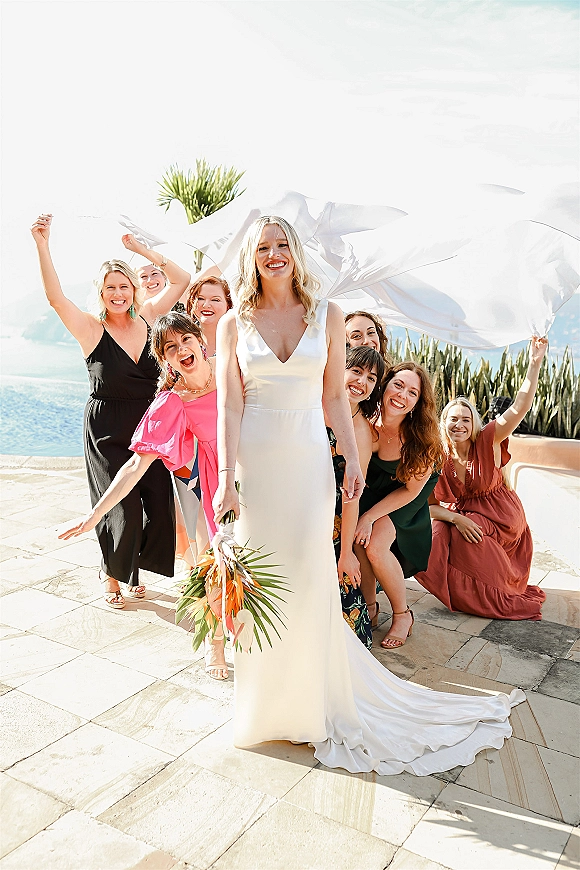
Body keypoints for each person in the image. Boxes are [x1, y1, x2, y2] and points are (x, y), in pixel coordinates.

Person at [212, 214, 524, 777]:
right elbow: (229, 405)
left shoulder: (327, 315)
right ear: (251, 257)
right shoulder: (234, 323)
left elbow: (335, 398)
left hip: (308, 464)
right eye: (263, 247)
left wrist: (353, 463)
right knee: (263, 583)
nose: (274, 254)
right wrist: (223, 479)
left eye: (283, 245)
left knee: (308, 577)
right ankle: (263, 709)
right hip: (257, 468)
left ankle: (310, 706)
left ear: (296, 252)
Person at [31, 214, 190, 608]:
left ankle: (132, 567)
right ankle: (113, 575)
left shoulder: (150, 317)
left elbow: (182, 280)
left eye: (124, 286)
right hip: (107, 429)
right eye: (110, 288)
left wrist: (141, 250)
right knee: (122, 507)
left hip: (150, 425)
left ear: (134, 289)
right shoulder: (90, 329)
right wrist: (42, 245)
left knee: (157, 505)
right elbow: (55, 298)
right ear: (100, 293)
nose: (118, 294)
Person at [58, 311, 228, 679]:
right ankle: (215, 642)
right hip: (215, 487)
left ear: (201, 341)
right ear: (164, 360)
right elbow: (135, 466)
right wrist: (95, 514)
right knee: (214, 565)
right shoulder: (172, 402)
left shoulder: (231, 368)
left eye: (186, 340)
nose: (181, 349)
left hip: (256, 471)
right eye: (170, 347)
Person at [415, 337, 548, 620]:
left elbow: (520, 407)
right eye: (453, 419)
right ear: (444, 423)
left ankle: (496, 592)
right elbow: (430, 507)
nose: (459, 424)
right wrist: (456, 518)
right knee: (437, 532)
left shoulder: (488, 439)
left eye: (466, 419)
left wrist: (535, 363)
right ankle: (463, 596)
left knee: (461, 535)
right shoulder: (438, 458)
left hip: (503, 517)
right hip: (471, 516)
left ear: (474, 422)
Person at [354, 362, 443, 648]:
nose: (402, 395)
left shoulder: (421, 438)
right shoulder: (365, 420)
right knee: (358, 539)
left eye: (412, 392)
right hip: (376, 485)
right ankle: (369, 608)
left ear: (418, 403)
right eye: (398, 385)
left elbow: (411, 490)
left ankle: (403, 615)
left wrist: (369, 516)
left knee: (376, 545)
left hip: (407, 491)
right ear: (384, 385)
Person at [327, 346, 385, 648]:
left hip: (332, 522)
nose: (362, 382)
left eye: (371, 378)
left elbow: (352, 496)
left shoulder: (362, 431)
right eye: (357, 371)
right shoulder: (312, 403)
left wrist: (346, 553)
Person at [186, 275, 233, 358]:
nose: (206, 305)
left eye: (215, 300)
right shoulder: (183, 340)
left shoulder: (240, 341)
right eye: (200, 298)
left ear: (228, 305)